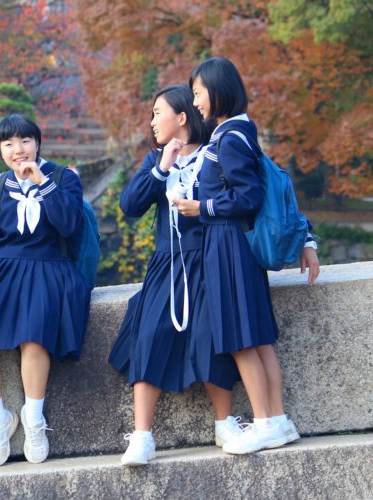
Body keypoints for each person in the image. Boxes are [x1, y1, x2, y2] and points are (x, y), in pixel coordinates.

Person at [173, 57, 320, 455]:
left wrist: (199, 208)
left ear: (219, 91)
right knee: (258, 338)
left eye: (199, 93)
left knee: (241, 338)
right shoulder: (236, 133)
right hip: (235, 245)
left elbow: (249, 197)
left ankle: (265, 422)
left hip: (228, 245)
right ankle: (279, 420)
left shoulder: (230, 138)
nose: (196, 101)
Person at [0, 114, 90, 467]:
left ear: (37, 143)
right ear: (0, 151)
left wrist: (40, 181)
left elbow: (70, 225)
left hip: (50, 267)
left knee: (34, 335)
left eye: (25, 141)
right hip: (5, 270)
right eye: (8, 144)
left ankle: (34, 420)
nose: (18, 149)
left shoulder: (62, 178)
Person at [109, 85, 244, 466]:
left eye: (157, 113)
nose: (152, 122)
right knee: (149, 334)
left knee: (213, 336)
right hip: (167, 263)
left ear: (181, 117)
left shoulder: (216, 153)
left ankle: (225, 423)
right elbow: (130, 205)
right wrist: (162, 166)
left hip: (211, 260)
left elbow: (251, 193)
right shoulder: (157, 159)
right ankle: (142, 436)